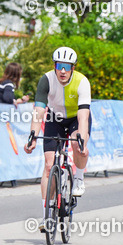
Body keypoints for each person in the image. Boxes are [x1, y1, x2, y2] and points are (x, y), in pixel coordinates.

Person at [24, 47, 92, 229]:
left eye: (67, 67)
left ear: (73, 68)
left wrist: (82, 140)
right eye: (59, 65)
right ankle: (47, 215)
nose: (62, 71)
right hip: (54, 118)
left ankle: (78, 178)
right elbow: (38, 111)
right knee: (48, 165)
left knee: (79, 146)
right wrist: (32, 136)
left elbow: (83, 116)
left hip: (75, 119)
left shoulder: (82, 82)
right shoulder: (46, 80)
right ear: (54, 65)